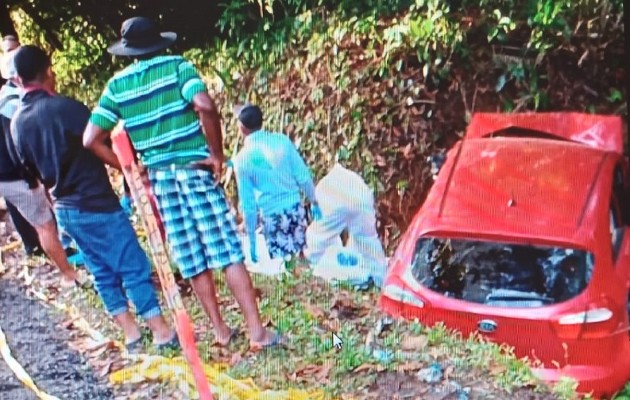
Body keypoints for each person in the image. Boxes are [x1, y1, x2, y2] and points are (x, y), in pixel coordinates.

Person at [83, 17, 281, 350]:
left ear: (129, 51)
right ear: (158, 42)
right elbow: (203, 105)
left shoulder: (117, 86)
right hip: (193, 170)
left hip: (161, 181)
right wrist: (216, 154)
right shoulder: (178, 67)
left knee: (191, 257)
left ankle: (220, 331)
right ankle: (258, 334)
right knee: (227, 252)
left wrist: (131, 169)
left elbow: (91, 138)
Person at [11, 45, 177, 352]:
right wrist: (128, 169)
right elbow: (98, 140)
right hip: (95, 201)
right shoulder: (65, 108)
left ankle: (131, 335)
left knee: (100, 268)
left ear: (19, 80)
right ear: (48, 72)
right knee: (132, 264)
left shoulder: (17, 124)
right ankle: (161, 331)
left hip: (64, 208)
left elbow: (31, 172)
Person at [0, 43, 87, 288]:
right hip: (15, 175)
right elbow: (16, 143)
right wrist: (32, 176)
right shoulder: (13, 103)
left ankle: (66, 253)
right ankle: (69, 275)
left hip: (9, 174)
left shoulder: (6, 98)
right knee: (45, 225)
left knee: (44, 218)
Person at [232, 104, 321, 265]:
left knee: (284, 266)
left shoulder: (242, 160)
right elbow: (303, 176)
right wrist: (314, 201)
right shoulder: (282, 141)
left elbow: (249, 206)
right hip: (295, 210)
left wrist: (251, 240)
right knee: (301, 261)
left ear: (241, 127)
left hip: (272, 218)